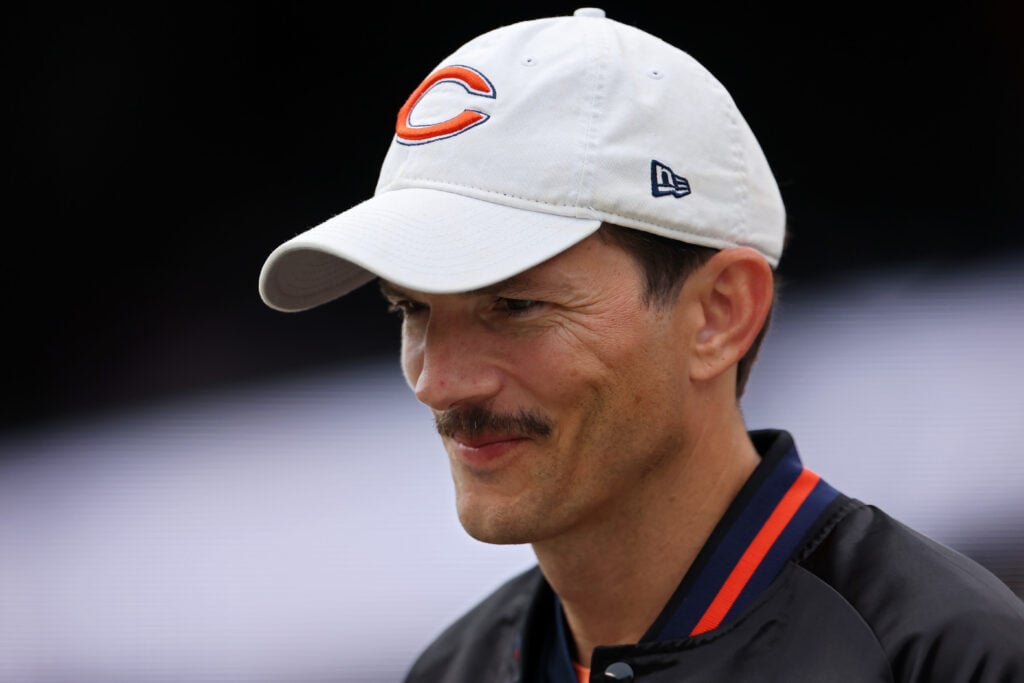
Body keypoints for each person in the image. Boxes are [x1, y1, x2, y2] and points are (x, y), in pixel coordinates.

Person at [258, 8, 1024, 682]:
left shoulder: (947, 656)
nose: (440, 381)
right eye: (413, 309)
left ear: (720, 313)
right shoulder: (451, 670)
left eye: (516, 306)